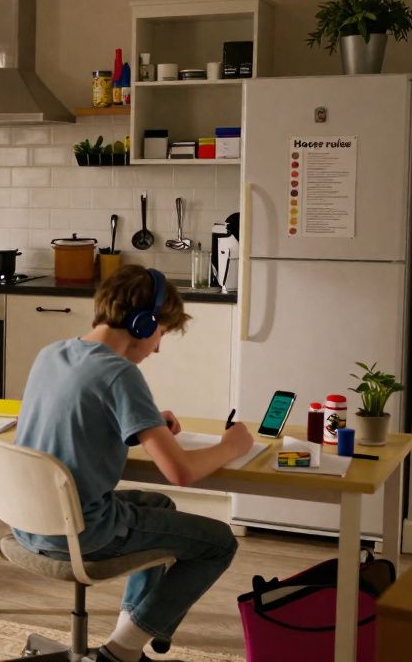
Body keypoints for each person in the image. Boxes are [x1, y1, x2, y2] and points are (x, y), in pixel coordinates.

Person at [13, 265, 253, 662]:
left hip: (27, 522)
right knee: (218, 543)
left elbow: (78, 410)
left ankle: (129, 633)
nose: (157, 348)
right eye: (162, 333)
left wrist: (146, 421)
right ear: (144, 324)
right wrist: (232, 445)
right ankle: (121, 651)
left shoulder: (52, 353)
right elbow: (181, 472)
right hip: (81, 531)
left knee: (160, 506)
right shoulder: (119, 374)